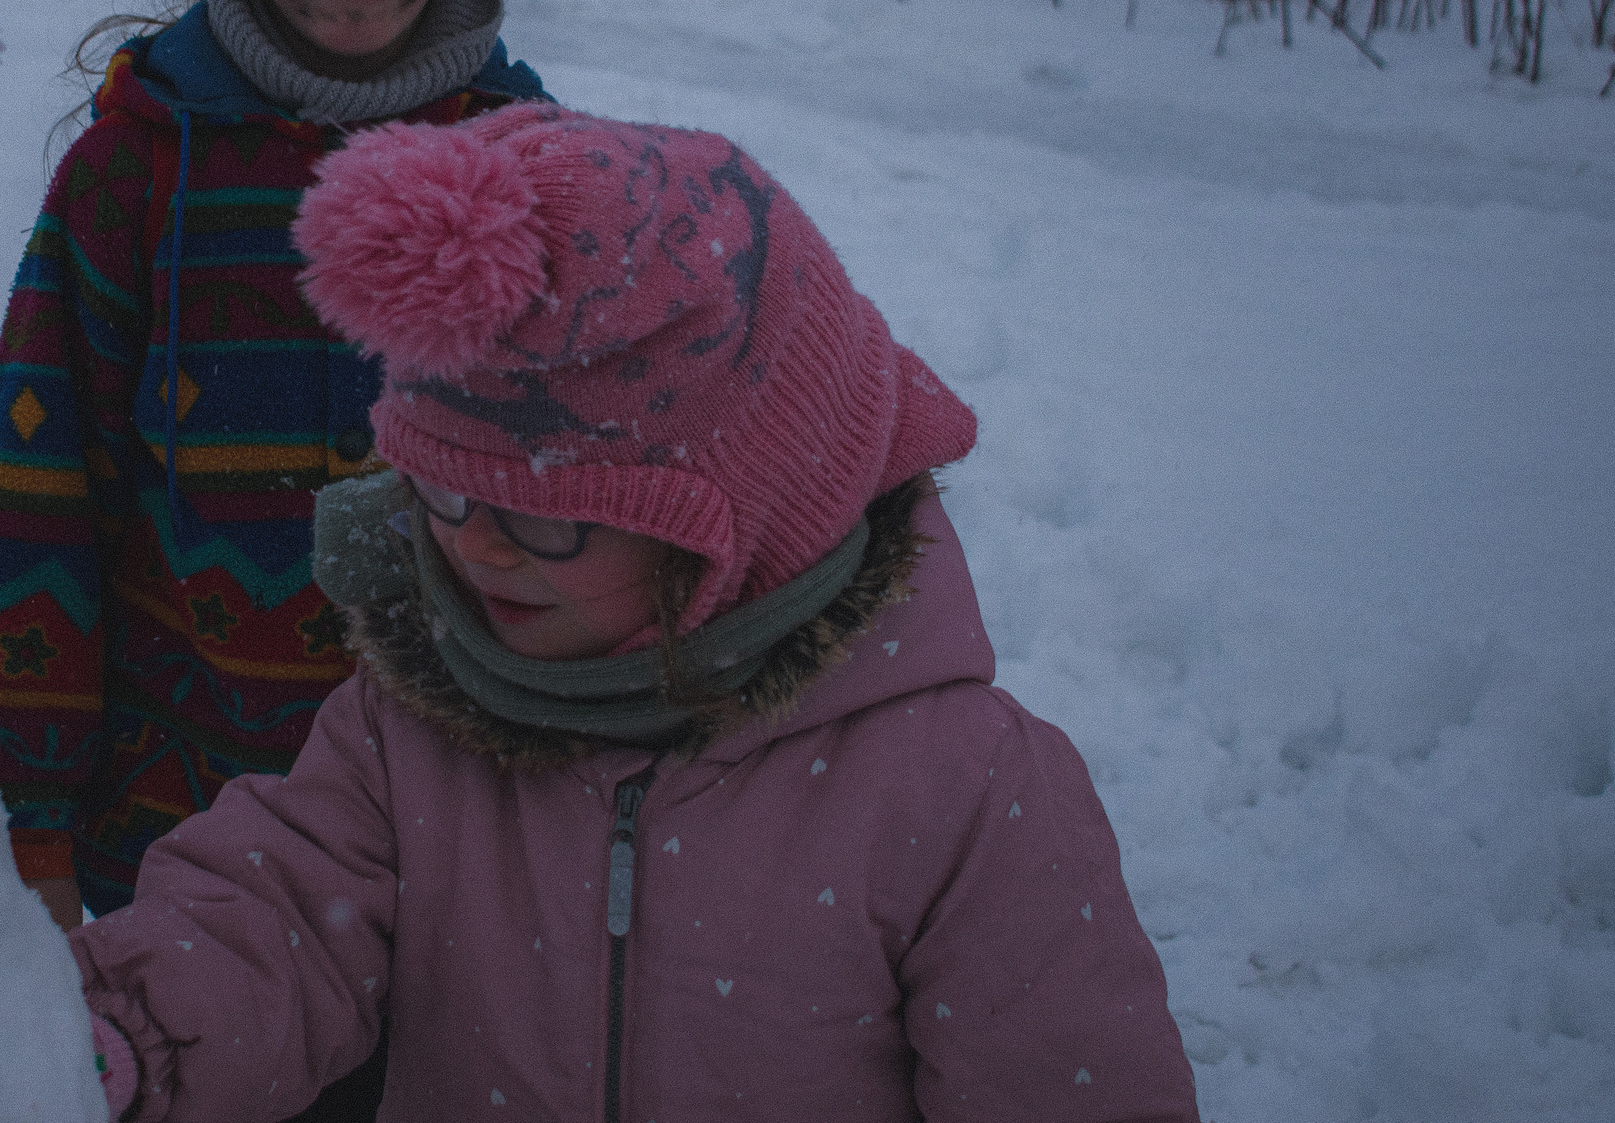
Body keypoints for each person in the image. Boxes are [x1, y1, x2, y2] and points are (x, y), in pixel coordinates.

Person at [69, 106, 1201, 1122]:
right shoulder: (403, 730)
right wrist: (108, 1045)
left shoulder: (960, 792)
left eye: (549, 514)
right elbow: (270, 925)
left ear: (743, 518)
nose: (470, 542)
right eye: (443, 489)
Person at [0, 0, 546, 948]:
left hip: (463, 856)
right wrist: (14, 813)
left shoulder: (532, 169)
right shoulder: (139, 169)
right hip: (182, 849)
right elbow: (34, 497)